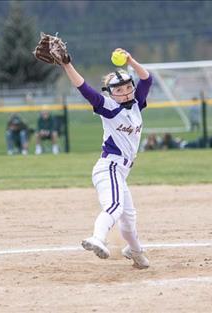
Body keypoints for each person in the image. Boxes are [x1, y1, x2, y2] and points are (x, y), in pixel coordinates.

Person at [52, 46, 152, 269]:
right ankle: (97, 238)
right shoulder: (108, 107)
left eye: (128, 87)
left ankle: (135, 251)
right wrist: (67, 65)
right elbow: (84, 88)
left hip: (122, 171)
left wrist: (131, 60)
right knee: (114, 206)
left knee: (129, 218)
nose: (125, 92)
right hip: (109, 167)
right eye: (119, 90)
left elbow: (147, 78)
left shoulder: (137, 104)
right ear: (110, 93)